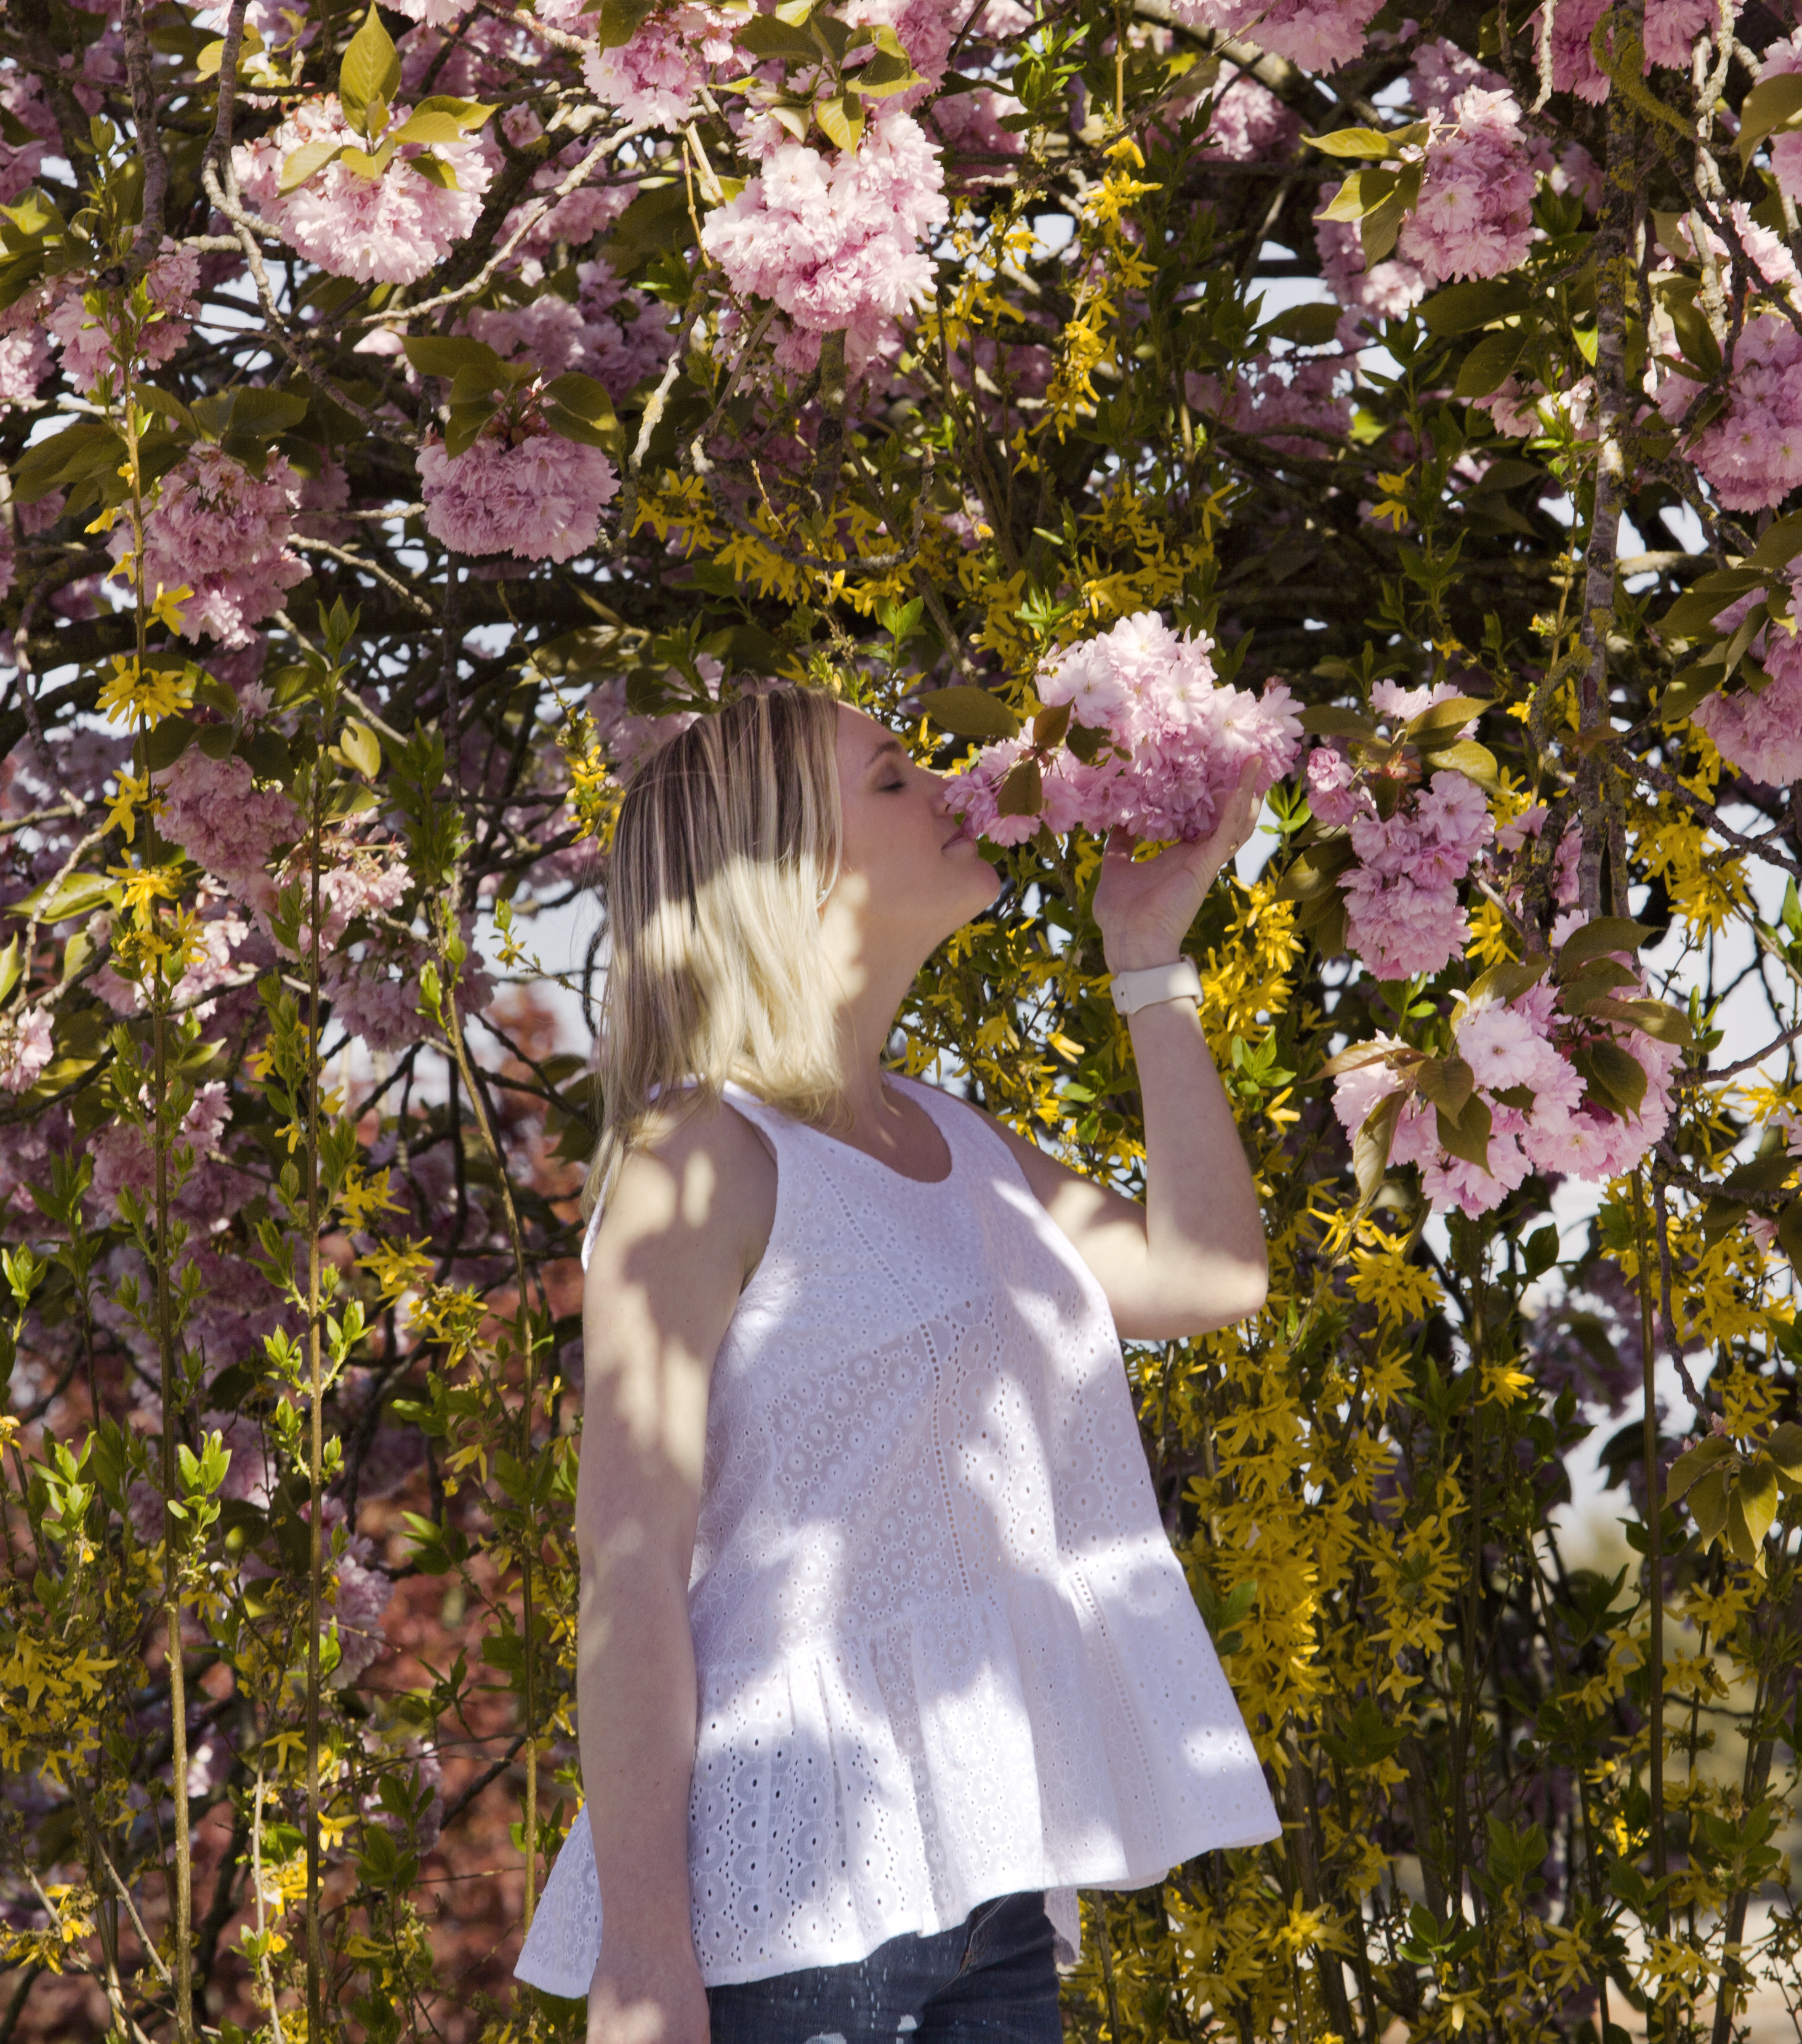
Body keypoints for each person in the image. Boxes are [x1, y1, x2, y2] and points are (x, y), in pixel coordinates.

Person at [511, 684, 1284, 2044]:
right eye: (891, 780)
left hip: (991, 1889)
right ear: (781, 869)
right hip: (795, 1910)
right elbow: (627, 1567)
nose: (952, 790)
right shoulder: (701, 1162)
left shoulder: (956, 1139)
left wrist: (1148, 953)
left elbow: (1213, 1276)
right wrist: (641, 1951)